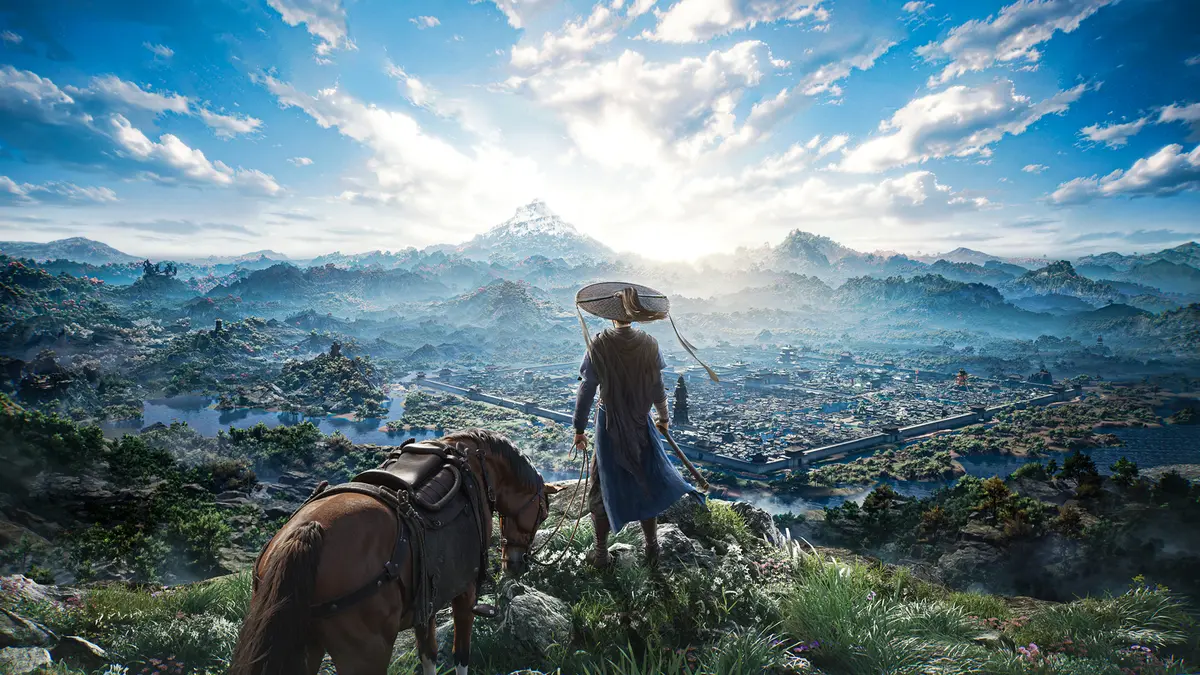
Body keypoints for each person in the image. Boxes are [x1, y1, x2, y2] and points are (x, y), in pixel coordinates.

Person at [572, 283, 716, 568]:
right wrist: (663, 417)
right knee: (646, 478)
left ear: (611, 315)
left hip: (609, 425)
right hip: (641, 423)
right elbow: (656, 387)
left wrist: (578, 429)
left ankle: (601, 554)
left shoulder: (599, 344)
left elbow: (587, 389)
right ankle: (652, 547)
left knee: (602, 481)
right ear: (635, 316)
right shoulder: (648, 344)